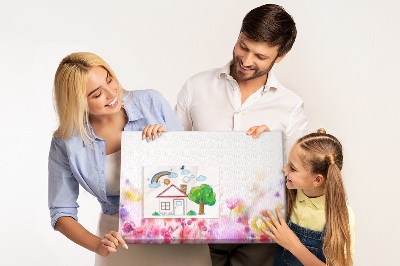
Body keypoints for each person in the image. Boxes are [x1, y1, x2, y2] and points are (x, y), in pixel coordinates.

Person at [174, 4, 308, 265]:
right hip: (197, 225)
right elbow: (172, 151)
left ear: (280, 56)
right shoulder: (196, 86)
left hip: (260, 232)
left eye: (260, 56)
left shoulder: (291, 107)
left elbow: (299, 179)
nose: (246, 61)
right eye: (243, 46)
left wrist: (272, 148)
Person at [48, 52, 211, 265]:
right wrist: (98, 244)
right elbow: (61, 212)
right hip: (119, 240)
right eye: (97, 94)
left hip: (177, 231)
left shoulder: (150, 102)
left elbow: (194, 172)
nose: (111, 94)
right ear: (78, 102)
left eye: (109, 80)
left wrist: (166, 145)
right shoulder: (66, 141)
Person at [262, 129, 355, 265]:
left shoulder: (342, 216)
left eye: (293, 168)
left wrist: (294, 246)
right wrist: (263, 140)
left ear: (317, 180)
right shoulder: (287, 193)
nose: (285, 169)